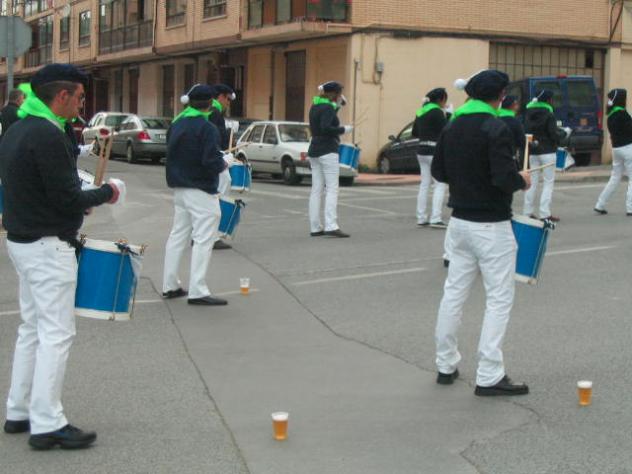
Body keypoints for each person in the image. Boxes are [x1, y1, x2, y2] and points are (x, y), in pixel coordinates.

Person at [0, 64, 123, 449]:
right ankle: (47, 422)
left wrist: (77, 197)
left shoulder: (18, 128)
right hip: (48, 246)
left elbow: (37, 187)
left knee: (32, 328)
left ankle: (19, 410)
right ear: (63, 95)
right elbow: (67, 197)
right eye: (80, 97)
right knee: (56, 333)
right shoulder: (48, 133)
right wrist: (109, 192)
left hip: (22, 241)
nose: (82, 104)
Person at [431, 69, 531, 396]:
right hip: (491, 225)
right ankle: (489, 374)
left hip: (458, 223)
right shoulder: (495, 127)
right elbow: (504, 178)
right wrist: (521, 180)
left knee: (454, 293)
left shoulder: (452, 124)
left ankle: (445, 365)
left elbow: (438, 171)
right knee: (499, 299)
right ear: (500, 96)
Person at [162, 84, 228, 306]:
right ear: (210, 104)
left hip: (179, 187)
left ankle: (170, 284)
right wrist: (224, 163)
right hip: (200, 188)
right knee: (203, 238)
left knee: (178, 235)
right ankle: (198, 290)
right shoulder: (207, 128)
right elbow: (210, 160)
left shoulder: (177, 123)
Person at [307, 81, 352, 238]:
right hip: (327, 150)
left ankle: (315, 227)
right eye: (339, 93)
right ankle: (331, 225)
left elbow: (325, 120)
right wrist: (343, 129)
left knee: (316, 190)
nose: (340, 96)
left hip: (314, 150)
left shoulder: (315, 105)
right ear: (334, 94)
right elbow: (327, 127)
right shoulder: (327, 108)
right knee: (332, 188)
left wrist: (338, 107)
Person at [522, 90, 565, 222]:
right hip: (547, 152)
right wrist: (564, 134)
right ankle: (544, 213)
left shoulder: (528, 113)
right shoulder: (548, 114)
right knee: (548, 182)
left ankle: (527, 212)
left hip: (532, 152)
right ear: (548, 100)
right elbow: (553, 134)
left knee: (532, 182)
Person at [412, 87, 449, 228]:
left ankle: (421, 217)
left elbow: (415, 132)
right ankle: (436, 218)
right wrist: (448, 115)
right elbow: (447, 130)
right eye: (445, 100)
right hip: (434, 151)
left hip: (421, 150)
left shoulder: (421, 111)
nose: (445, 103)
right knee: (440, 184)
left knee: (424, 184)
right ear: (440, 99)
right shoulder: (437, 112)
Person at [594, 88, 632, 216]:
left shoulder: (610, 116)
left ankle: (600, 204)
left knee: (615, 177)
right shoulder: (623, 115)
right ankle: (630, 208)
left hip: (616, 149)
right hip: (628, 149)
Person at [209, 83, 237, 250]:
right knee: (219, 193)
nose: (228, 102)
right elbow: (215, 136)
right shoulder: (214, 112)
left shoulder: (212, 111)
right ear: (220, 96)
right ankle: (213, 236)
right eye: (227, 98)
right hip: (216, 157)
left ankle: (200, 235)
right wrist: (228, 134)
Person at [498, 95, 526, 167]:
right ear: (513, 105)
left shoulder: (494, 118)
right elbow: (521, 141)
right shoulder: (515, 122)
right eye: (517, 104)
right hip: (510, 158)